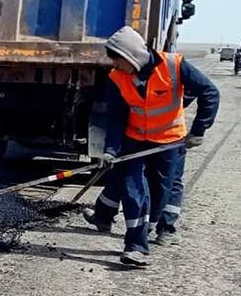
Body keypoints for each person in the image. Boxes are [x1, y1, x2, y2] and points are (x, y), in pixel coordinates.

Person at [90, 26, 219, 267]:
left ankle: (153, 231)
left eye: (118, 61)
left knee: (161, 193)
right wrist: (110, 149)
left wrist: (199, 130)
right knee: (134, 191)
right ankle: (135, 247)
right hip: (135, 140)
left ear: (131, 56)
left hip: (169, 142)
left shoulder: (174, 66)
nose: (115, 67)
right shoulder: (117, 78)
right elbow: (116, 118)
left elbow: (210, 92)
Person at [85, 93, 194, 245]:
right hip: (156, 134)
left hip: (161, 135)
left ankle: (155, 230)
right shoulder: (169, 72)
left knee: (138, 175)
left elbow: (205, 91)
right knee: (140, 176)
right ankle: (163, 230)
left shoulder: (169, 72)